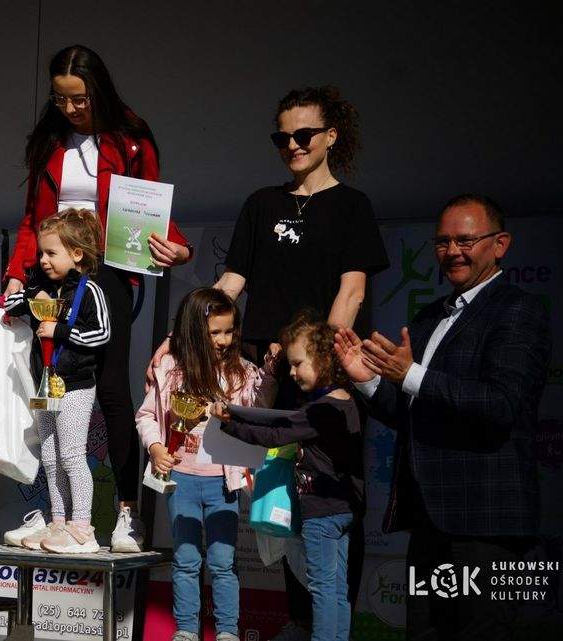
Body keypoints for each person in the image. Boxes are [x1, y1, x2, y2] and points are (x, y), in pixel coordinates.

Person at [151, 85, 387, 640]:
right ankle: (300, 621)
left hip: (326, 375)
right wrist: (184, 332)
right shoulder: (261, 203)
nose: (292, 145)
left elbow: (351, 293)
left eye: (303, 135)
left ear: (331, 137)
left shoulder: (353, 207)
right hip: (270, 374)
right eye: (282, 137)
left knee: (330, 500)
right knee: (283, 498)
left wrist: (319, 361)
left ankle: (332, 626)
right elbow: (231, 284)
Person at [4, 44, 194, 552]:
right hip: (49, 273)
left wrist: (177, 245)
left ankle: (126, 515)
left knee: (111, 388)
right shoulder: (48, 141)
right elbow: (31, 215)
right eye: (60, 99)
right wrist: (18, 275)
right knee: (48, 384)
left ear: (99, 92)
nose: (69, 109)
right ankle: (56, 515)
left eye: (79, 100)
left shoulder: (131, 136)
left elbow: (152, 201)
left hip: (107, 270)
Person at [335, 194, 550, 640]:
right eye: (443, 242)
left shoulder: (519, 310)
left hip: (487, 527)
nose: (452, 251)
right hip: (429, 524)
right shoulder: (432, 316)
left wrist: (410, 374)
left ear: (500, 243)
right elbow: (412, 412)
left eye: (466, 240)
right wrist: (367, 381)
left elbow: (500, 404)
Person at [138, 288, 277, 641]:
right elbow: (146, 415)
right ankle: (186, 630)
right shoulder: (170, 367)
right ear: (194, 330)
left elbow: (260, 411)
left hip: (222, 481)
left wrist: (269, 378)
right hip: (181, 477)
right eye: (215, 332)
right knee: (185, 561)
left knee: (223, 562)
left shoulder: (243, 372)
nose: (223, 340)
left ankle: (227, 631)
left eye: (229, 331)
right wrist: (155, 447)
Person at [215, 314, 365, 641]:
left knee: (323, 588)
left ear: (325, 360)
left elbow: (274, 434)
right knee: (337, 588)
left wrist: (229, 421)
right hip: (344, 510)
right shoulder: (346, 402)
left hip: (322, 513)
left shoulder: (321, 409)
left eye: (298, 364)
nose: (292, 373)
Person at [2, 208, 112, 553]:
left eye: (51, 253)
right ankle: (59, 522)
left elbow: (103, 333)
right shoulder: (42, 286)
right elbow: (14, 302)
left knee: (72, 455)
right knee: (49, 456)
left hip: (77, 384)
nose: (43, 260)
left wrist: (61, 329)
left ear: (76, 254)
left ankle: (83, 528)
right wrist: (27, 297)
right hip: (45, 384)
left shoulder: (90, 290)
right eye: (41, 253)